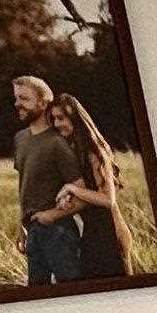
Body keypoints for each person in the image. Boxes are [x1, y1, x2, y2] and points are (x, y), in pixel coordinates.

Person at [43, 91, 137, 280]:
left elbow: (107, 199)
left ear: (74, 117)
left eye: (61, 118)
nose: (56, 124)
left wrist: (71, 188)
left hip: (110, 235)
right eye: (53, 119)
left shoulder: (94, 152)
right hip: (93, 235)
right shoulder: (76, 151)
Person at [10, 74, 84, 287]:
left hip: (58, 232)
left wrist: (51, 216)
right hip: (32, 229)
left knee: (72, 292)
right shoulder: (20, 138)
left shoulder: (57, 143)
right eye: (16, 98)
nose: (17, 104)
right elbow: (24, 185)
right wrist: (21, 226)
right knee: (37, 292)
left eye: (24, 98)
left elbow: (80, 189)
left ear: (43, 103)